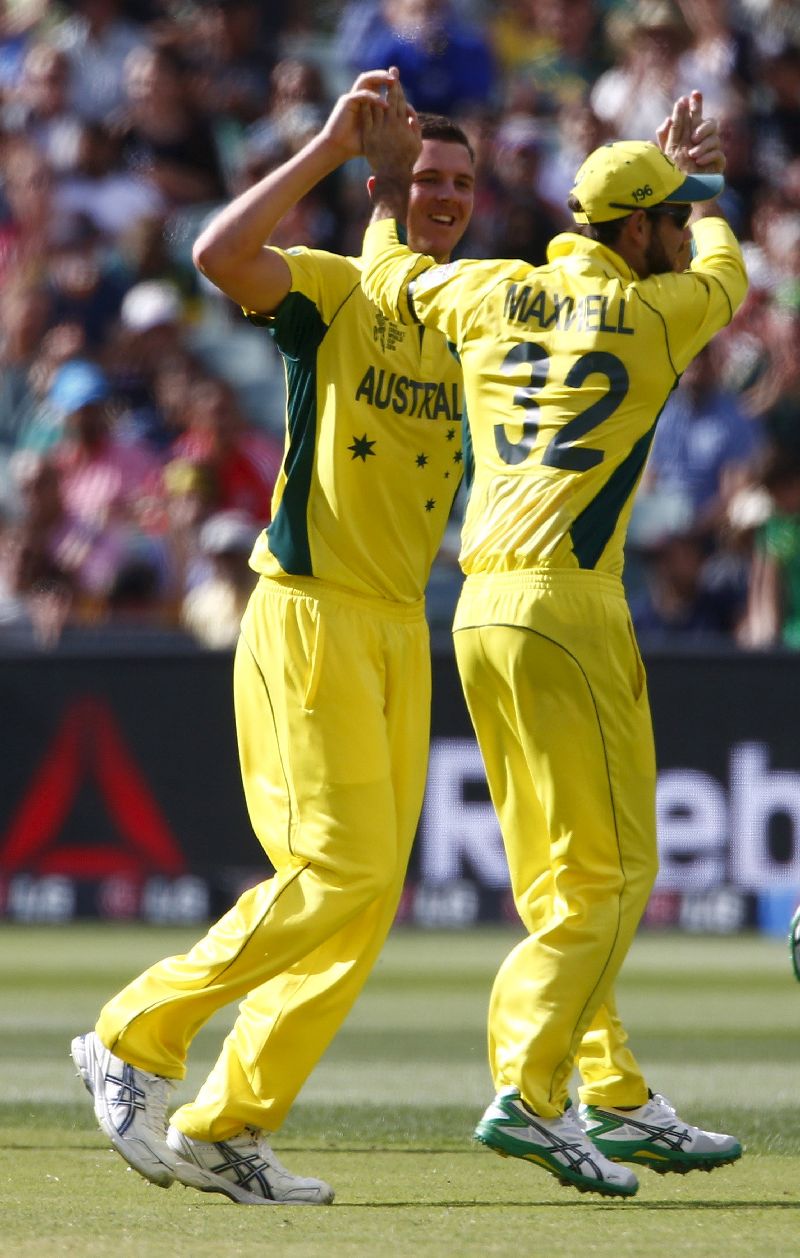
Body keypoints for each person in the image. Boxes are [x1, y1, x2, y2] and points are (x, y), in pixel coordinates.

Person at [70, 69, 475, 1206]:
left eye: (460, 182)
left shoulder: (465, 319)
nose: (444, 196)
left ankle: (228, 1124)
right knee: (336, 870)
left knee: (366, 897)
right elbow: (214, 253)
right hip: (309, 607)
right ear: (386, 191)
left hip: (400, 628)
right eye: (425, 178)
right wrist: (334, 148)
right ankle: (132, 1035)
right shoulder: (335, 289)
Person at [360, 74, 747, 1197]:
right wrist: (704, 182)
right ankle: (531, 1093)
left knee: (554, 875)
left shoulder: (488, 290)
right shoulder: (661, 312)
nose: (677, 232)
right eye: (665, 219)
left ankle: (612, 1093)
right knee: (618, 870)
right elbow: (726, 270)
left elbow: (389, 276)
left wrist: (384, 190)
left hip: (478, 608)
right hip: (572, 605)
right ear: (637, 232)